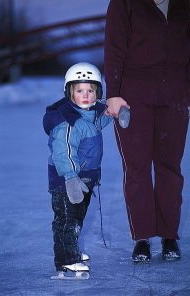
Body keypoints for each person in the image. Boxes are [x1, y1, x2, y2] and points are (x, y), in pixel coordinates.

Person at [104, 0, 190, 263]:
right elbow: (114, 47)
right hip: (133, 96)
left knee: (170, 167)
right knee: (137, 166)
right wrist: (114, 94)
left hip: (175, 93)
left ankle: (169, 235)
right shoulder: (124, 3)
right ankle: (141, 238)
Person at [43, 62, 113, 278]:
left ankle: (70, 250)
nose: (85, 95)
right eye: (79, 90)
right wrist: (71, 178)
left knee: (77, 218)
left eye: (90, 90)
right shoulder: (68, 122)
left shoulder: (88, 115)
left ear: (97, 92)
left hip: (85, 178)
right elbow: (63, 152)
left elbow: (96, 125)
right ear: (69, 92)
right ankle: (66, 259)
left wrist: (113, 113)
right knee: (66, 220)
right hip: (67, 180)